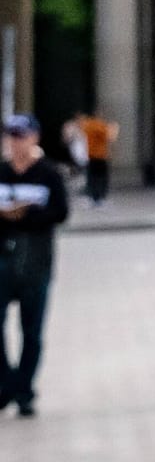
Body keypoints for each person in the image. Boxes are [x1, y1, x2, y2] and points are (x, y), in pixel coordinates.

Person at [0, 114, 68, 417]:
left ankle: (24, 388)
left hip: (36, 261)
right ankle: (7, 383)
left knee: (32, 330)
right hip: (3, 258)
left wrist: (25, 214)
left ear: (34, 138)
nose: (17, 142)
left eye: (22, 135)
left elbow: (60, 212)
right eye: (12, 136)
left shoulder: (48, 174)